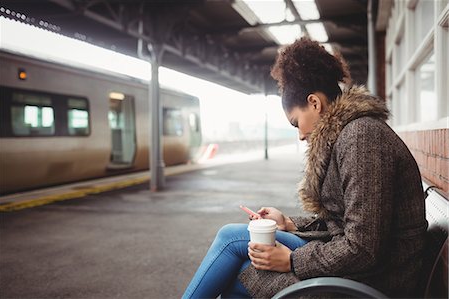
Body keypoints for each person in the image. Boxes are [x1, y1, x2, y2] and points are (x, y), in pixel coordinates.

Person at [182, 37, 427, 299]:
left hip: (376, 281)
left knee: (231, 241)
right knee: (238, 267)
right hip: (359, 270)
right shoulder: (350, 134)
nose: (299, 135)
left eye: (295, 122)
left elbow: (363, 248)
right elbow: (343, 221)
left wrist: (292, 261)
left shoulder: (362, 138)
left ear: (314, 103)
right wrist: (287, 223)